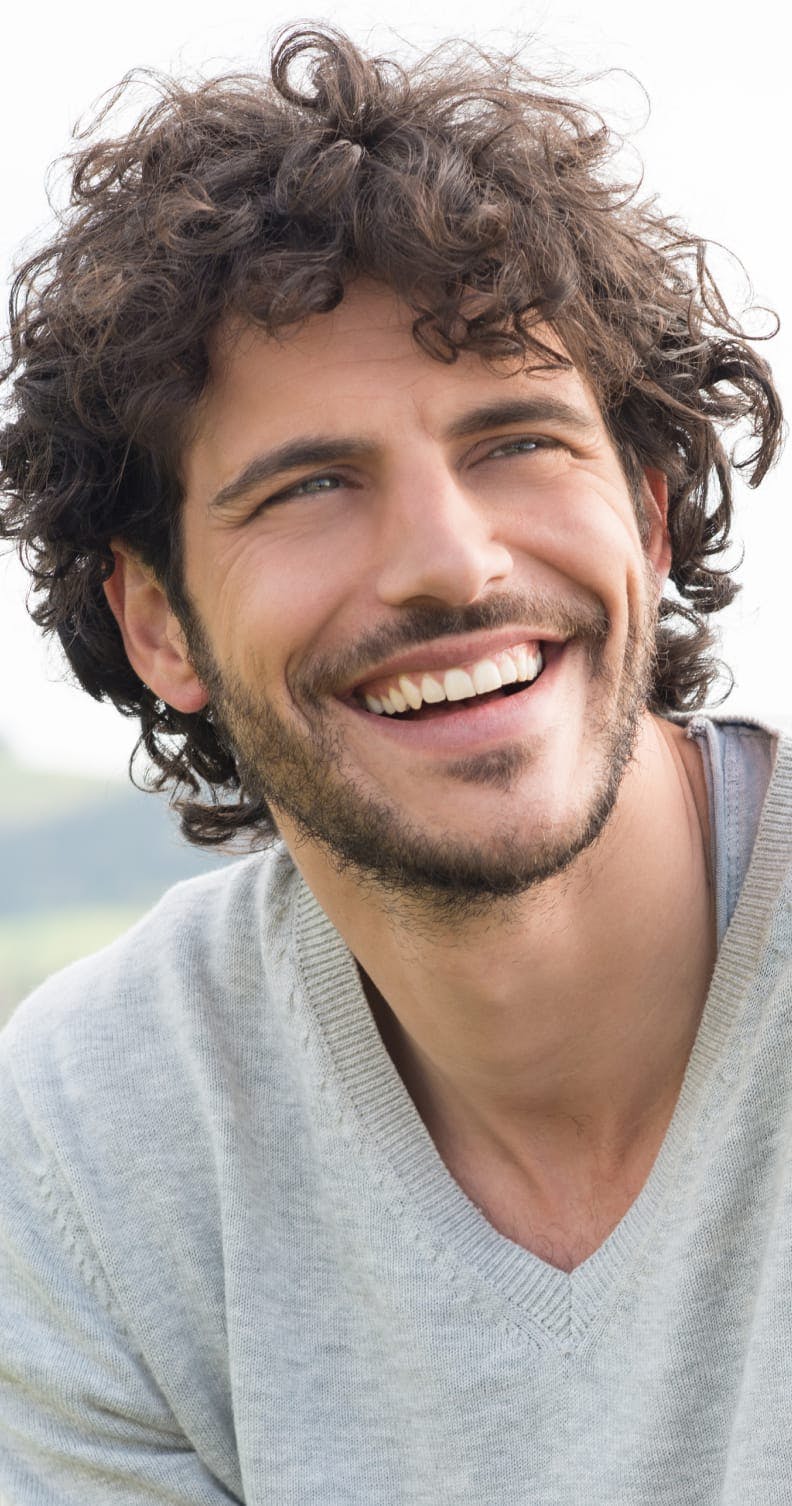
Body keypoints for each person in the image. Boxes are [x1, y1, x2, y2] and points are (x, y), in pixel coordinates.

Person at [0, 23, 787, 1504]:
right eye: (311, 485)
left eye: (517, 442)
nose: (451, 562)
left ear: (649, 518)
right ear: (158, 622)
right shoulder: (98, 1138)